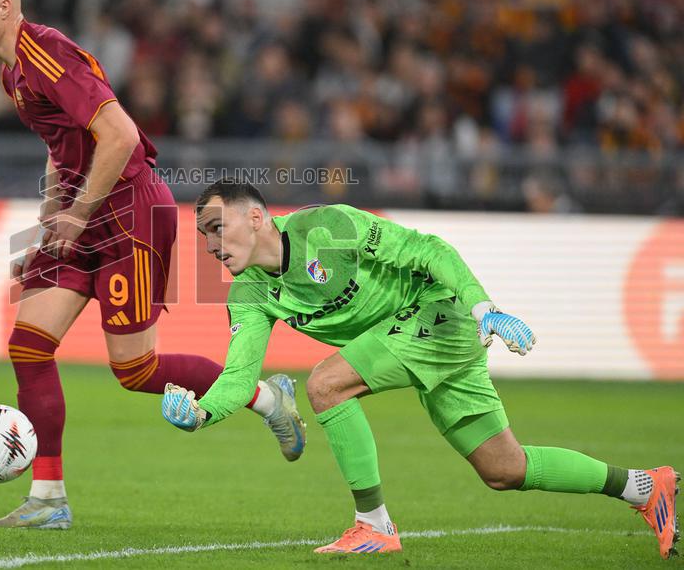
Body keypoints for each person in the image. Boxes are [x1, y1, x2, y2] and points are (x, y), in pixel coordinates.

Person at [0, 0, 307, 529]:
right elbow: (62, 142)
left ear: (4, 7)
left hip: (130, 214)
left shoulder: (46, 53)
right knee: (29, 345)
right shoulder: (11, 72)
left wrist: (79, 211)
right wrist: (52, 209)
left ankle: (268, 399)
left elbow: (117, 134)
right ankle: (48, 500)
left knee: (136, 370)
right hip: (83, 212)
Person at [162, 179, 679, 558]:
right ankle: (642, 485)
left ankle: (373, 524)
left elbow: (426, 250)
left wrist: (484, 307)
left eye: (216, 227)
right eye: (203, 235)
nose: (209, 244)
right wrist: (201, 414)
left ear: (255, 218)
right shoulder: (251, 294)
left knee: (325, 384)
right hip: (411, 342)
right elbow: (237, 377)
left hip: (439, 315)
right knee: (504, 469)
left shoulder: (329, 227)